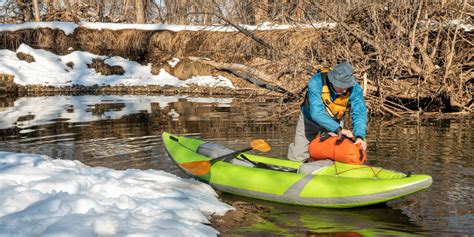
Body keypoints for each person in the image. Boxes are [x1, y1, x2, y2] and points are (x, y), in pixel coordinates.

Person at [287, 62, 367, 162]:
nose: (343, 89)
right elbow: (316, 113)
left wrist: (360, 136)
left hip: (335, 121)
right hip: (309, 120)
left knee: (336, 154)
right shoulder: (316, 81)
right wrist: (338, 130)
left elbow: (360, 114)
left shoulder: (355, 89)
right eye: (340, 85)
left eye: (346, 85)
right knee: (297, 155)